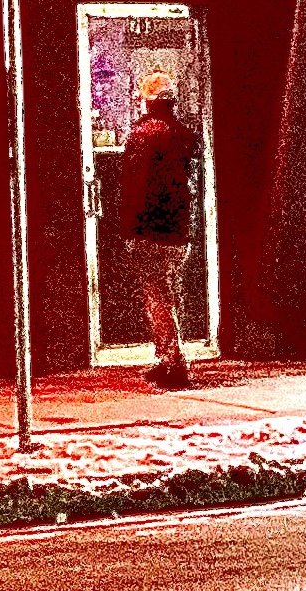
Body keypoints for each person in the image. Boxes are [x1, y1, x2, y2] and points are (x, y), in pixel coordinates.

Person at [118, 71, 200, 389]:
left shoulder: (141, 135)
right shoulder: (185, 135)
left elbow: (134, 187)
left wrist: (130, 228)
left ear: (147, 101)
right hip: (179, 228)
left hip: (150, 229)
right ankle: (167, 356)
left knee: (157, 295)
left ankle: (172, 361)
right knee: (170, 292)